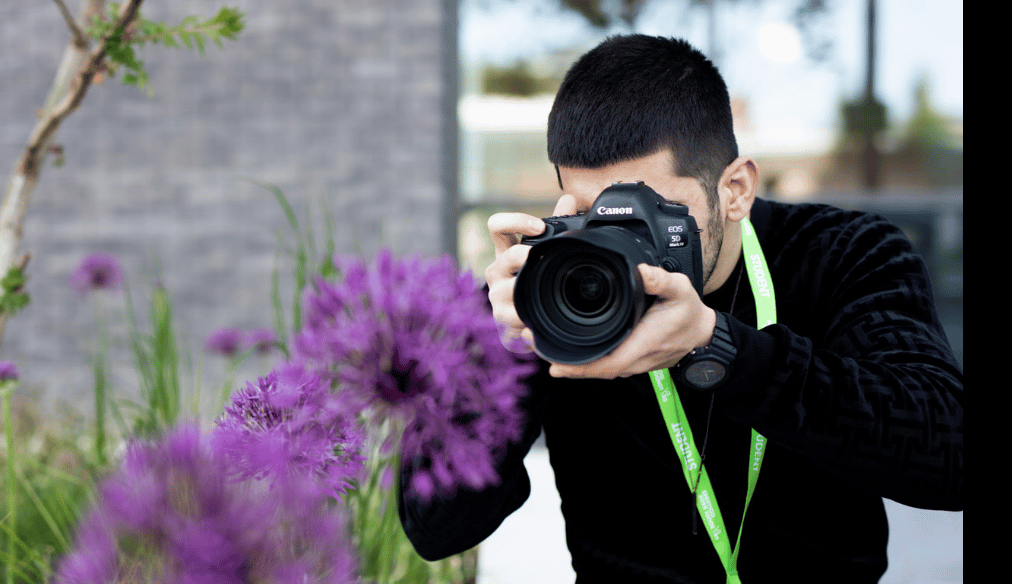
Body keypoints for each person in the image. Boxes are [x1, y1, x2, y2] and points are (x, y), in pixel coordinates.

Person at [398, 34, 962, 583]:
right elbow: (434, 529)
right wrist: (511, 355)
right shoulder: (544, 292)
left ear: (735, 188)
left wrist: (723, 348)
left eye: (649, 214)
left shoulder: (842, 254)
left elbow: (947, 455)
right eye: (595, 214)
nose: (624, 243)